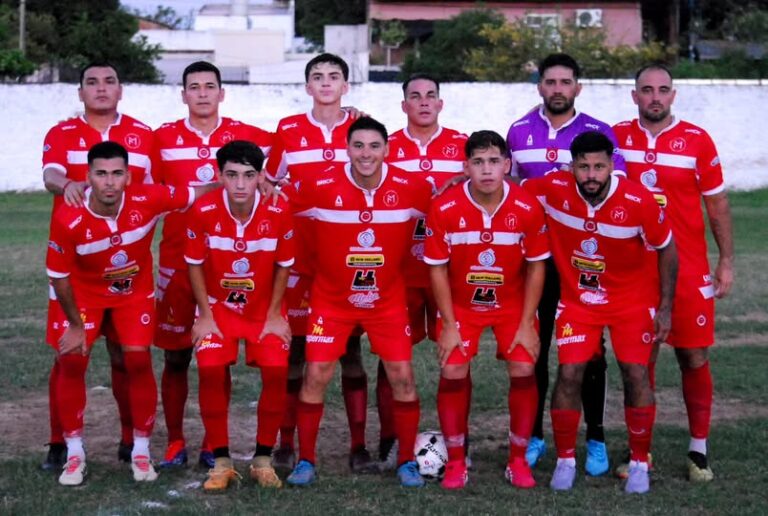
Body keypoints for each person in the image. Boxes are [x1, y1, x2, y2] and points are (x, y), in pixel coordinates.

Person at [45, 141, 211, 486]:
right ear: (88, 176)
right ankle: (74, 453)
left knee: (137, 360)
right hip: (84, 295)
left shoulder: (148, 198)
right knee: (72, 360)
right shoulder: (68, 215)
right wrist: (75, 325)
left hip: (131, 294)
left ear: (128, 176)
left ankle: (140, 449)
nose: (109, 182)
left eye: (117, 173)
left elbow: (197, 192)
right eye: (101, 174)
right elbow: (58, 276)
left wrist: (238, 183)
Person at [523, 131, 678, 494]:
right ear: (570, 167)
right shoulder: (552, 188)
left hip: (631, 302)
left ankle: (640, 461)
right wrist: (461, 180)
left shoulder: (638, 199)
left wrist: (666, 308)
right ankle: (565, 460)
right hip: (579, 302)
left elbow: (667, 249)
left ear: (611, 165)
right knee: (570, 372)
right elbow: (509, 186)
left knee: (635, 373)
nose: (591, 174)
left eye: (599, 166)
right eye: (583, 167)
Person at [285, 117, 431, 488]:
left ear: (387, 149)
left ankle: (407, 462)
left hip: (386, 301)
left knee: (402, 377)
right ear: (346, 148)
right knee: (316, 375)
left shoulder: (412, 187)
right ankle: (306, 460)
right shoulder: (318, 186)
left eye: (374, 146)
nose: (366, 154)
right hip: (332, 300)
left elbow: (444, 209)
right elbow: (279, 203)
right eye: (358, 146)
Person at [505, 53, 626, 475]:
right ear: (540, 86)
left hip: (586, 264)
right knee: (534, 351)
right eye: (550, 82)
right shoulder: (519, 131)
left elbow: (616, 192)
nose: (558, 89)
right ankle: (535, 435)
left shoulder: (599, 132)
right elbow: (510, 191)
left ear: (578, 87)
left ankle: (594, 437)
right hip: (536, 263)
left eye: (565, 82)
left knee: (590, 353)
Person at [613, 64, 734, 482]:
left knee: (693, 355)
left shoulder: (697, 140)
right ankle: (637, 450)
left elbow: (717, 205)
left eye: (662, 90)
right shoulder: (616, 138)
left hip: (689, 269)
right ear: (635, 96)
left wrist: (726, 261)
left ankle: (698, 449)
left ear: (673, 95)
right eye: (646, 90)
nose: (655, 97)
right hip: (634, 271)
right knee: (638, 359)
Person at [151, 61, 274, 469]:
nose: (202, 93)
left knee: (214, 354)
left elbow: (295, 146)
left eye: (210, 87)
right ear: (183, 94)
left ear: (222, 93)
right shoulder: (161, 139)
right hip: (175, 263)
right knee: (175, 357)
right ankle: (174, 440)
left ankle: (210, 442)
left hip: (225, 271)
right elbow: (147, 191)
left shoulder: (249, 136)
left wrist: (352, 118)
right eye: (194, 87)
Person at [40, 62, 154, 470]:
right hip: (77, 268)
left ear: (121, 90)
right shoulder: (62, 132)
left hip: (127, 271)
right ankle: (59, 443)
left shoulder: (143, 135)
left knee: (128, 355)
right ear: (80, 91)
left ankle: (131, 441)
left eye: (109, 82)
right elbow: (51, 172)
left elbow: (162, 189)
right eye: (92, 82)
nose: (101, 89)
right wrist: (65, 184)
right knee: (69, 353)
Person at [266, 53, 374, 473]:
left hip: (349, 261)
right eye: (317, 77)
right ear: (307, 86)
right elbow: (271, 181)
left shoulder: (362, 129)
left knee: (348, 352)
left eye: (334, 76)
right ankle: (287, 443)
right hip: (297, 260)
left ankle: (359, 446)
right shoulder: (288, 130)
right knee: (295, 352)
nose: (326, 82)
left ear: (346, 86)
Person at [424, 130, 549, 489]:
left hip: (512, 303)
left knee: (524, 366)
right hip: (462, 305)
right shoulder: (444, 207)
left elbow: (537, 266)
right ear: (465, 167)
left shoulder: (526, 205)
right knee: (453, 371)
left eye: (494, 161)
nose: (487, 170)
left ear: (507, 164)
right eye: (478, 162)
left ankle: (517, 460)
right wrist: (448, 323)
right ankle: (457, 461)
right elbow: (436, 268)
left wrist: (527, 322)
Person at [184, 141, 294, 491]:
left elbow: (283, 266)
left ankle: (263, 459)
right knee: (210, 367)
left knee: (277, 370)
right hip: (219, 307)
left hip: (264, 307)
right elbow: (195, 265)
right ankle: (221, 461)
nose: (241, 185)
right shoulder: (202, 210)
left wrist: (275, 314)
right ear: (220, 177)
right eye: (232, 176)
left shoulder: (278, 209)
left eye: (249, 175)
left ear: (262, 176)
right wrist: (203, 315)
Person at [376, 73, 468, 468]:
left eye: (432, 95)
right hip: (402, 270)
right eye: (415, 96)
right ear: (404, 106)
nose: (424, 102)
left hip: (453, 271)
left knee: (456, 355)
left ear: (441, 103)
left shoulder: (464, 146)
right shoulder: (387, 147)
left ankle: (459, 439)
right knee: (393, 357)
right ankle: (390, 438)